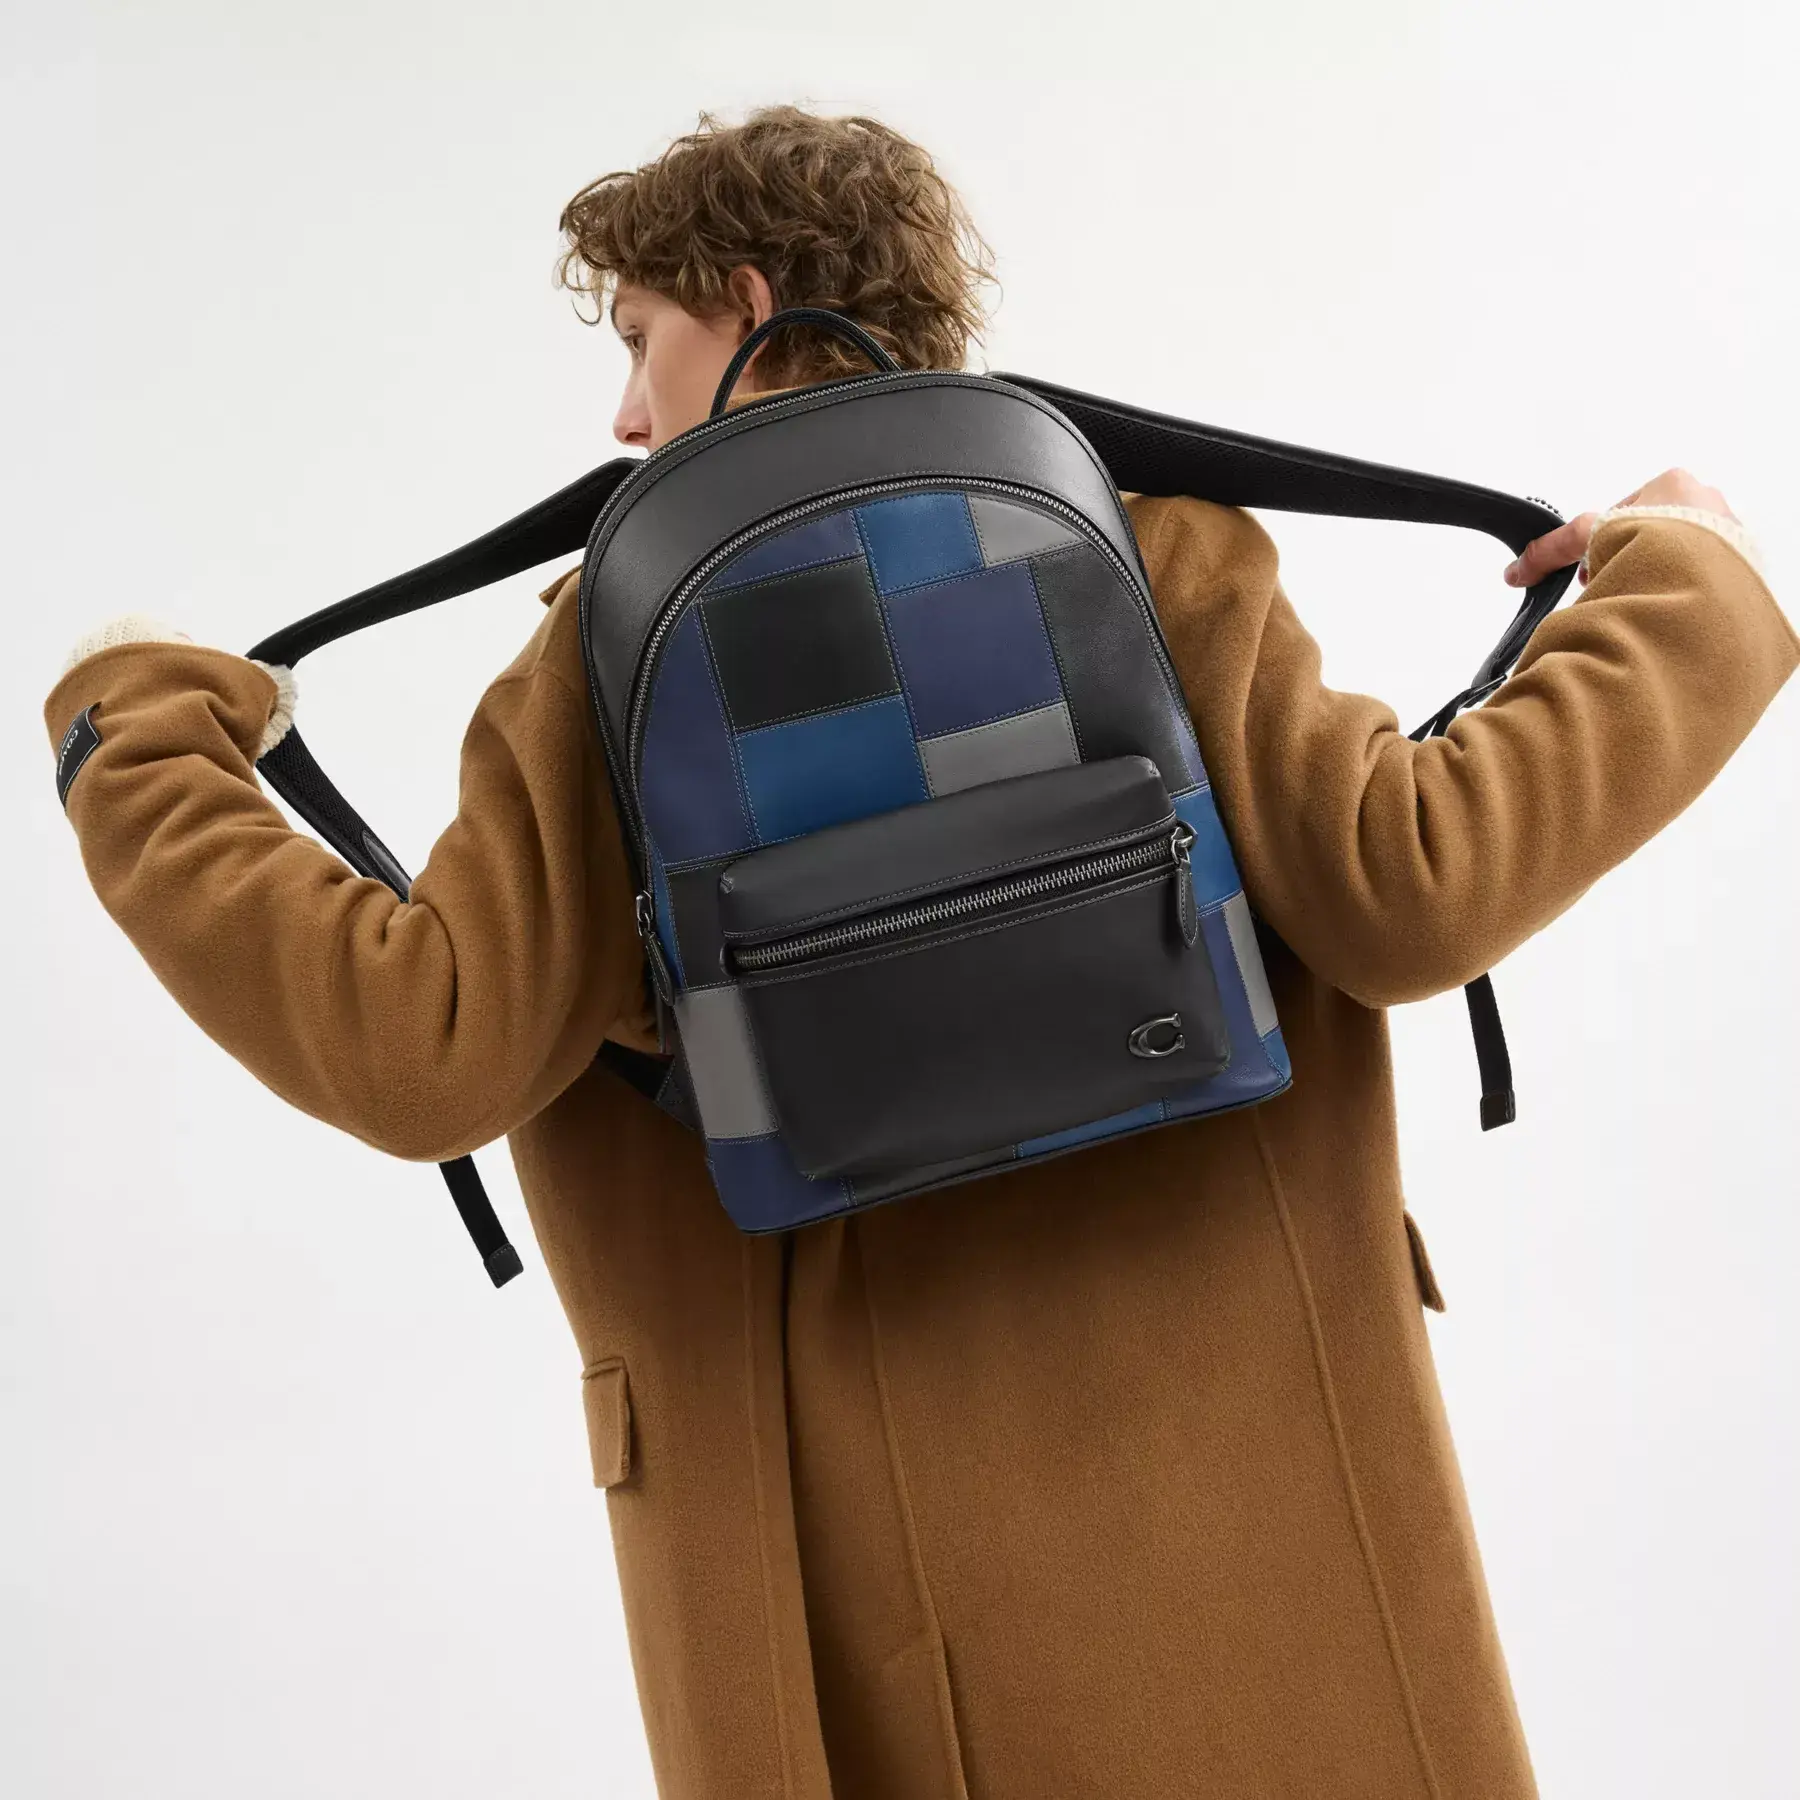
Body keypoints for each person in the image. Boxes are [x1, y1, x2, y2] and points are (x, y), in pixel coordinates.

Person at [43, 104, 1797, 1800]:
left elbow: (423, 1045)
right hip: (1252, 1494)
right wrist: (1686, 577)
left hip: (856, 1556)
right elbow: (1411, 886)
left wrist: (137, 745)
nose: (625, 417)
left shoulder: (607, 660)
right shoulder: (1149, 547)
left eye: (641, 342)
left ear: (745, 303)